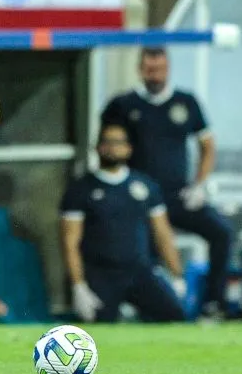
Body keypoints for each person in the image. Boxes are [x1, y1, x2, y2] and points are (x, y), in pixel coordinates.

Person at [100, 47, 234, 320]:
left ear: (169, 69)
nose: (155, 75)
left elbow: (207, 146)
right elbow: (107, 144)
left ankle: (213, 303)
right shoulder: (123, 105)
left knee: (222, 233)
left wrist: (199, 185)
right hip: (140, 200)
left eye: (160, 69)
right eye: (150, 69)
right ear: (140, 70)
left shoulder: (186, 102)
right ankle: (145, 308)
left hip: (178, 196)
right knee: (142, 255)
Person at [60, 123, 186, 324]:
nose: (113, 148)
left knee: (175, 315)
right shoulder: (80, 189)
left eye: (118, 142)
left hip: (140, 271)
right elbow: (70, 242)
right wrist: (78, 286)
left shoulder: (145, 185)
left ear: (129, 148)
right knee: (96, 327)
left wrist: (177, 275)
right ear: (98, 147)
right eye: (107, 142)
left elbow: (162, 233)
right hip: (101, 275)